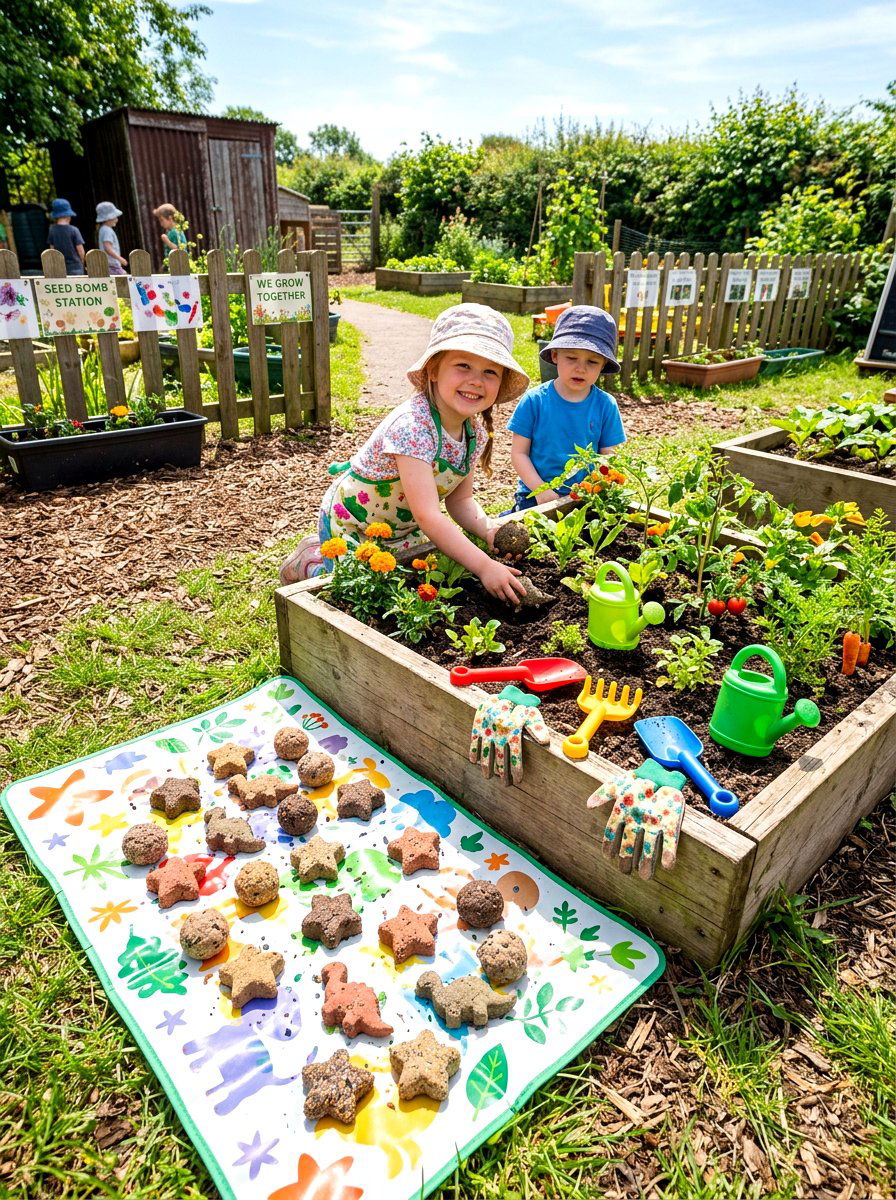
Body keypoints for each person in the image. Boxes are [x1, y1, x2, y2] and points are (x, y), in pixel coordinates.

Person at [280, 303, 530, 603]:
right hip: (354, 524)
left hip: (400, 528)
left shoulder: (472, 432)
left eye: (490, 371)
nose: (476, 380)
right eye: (463, 365)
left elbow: (460, 501)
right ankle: (312, 562)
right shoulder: (413, 427)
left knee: (415, 586)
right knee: (362, 596)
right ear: (434, 370)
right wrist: (485, 567)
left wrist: (486, 528)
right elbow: (428, 515)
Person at [507, 305, 626, 510]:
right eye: (571, 358)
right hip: (535, 494)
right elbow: (519, 454)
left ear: (603, 365)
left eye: (592, 361)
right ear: (555, 356)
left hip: (587, 495)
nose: (581, 368)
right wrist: (542, 491)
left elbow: (608, 456)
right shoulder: (535, 401)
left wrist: (595, 486)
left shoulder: (606, 405)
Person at [46, 198, 86, 275]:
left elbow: (52, 250)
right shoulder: (74, 230)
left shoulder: (52, 230)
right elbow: (81, 250)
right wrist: (82, 261)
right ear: (69, 216)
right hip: (75, 267)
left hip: (60, 267)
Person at [95, 202, 128, 275]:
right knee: (125, 281)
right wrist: (119, 258)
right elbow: (108, 248)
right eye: (115, 217)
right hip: (112, 264)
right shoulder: (107, 230)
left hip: (108, 264)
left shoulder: (102, 229)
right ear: (108, 218)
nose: (117, 219)